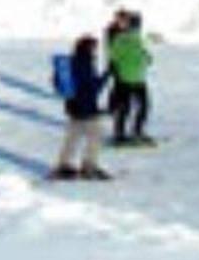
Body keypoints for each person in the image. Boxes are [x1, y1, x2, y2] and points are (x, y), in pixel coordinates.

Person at [50, 33, 111, 181]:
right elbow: (93, 88)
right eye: (93, 47)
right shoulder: (86, 64)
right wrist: (107, 75)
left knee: (72, 137)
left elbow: (58, 82)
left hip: (73, 107)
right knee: (95, 137)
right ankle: (89, 167)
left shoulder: (70, 63)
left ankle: (63, 165)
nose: (95, 50)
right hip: (87, 108)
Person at [107, 11, 153, 146]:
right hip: (136, 78)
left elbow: (114, 57)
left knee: (126, 107)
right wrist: (145, 60)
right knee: (142, 107)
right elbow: (144, 56)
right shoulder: (138, 39)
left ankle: (120, 133)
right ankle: (135, 131)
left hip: (127, 78)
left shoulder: (121, 39)